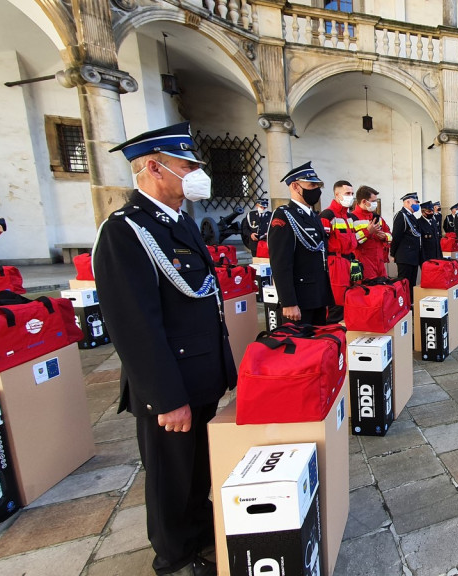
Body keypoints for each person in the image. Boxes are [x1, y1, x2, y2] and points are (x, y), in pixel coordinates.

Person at [93, 122, 236, 576]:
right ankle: (174, 556)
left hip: (200, 373)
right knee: (170, 475)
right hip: (170, 382)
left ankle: (198, 536)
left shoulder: (181, 224)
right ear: (154, 168)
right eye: (186, 166)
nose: (195, 174)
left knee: (196, 469)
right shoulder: (126, 231)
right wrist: (166, 398)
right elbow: (134, 326)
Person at [268, 162, 336, 324]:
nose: (316, 190)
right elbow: (280, 263)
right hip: (300, 299)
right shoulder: (284, 216)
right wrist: (288, 302)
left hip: (318, 295)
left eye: (317, 185)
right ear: (296, 187)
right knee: (300, 346)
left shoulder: (313, 216)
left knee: (318, 345)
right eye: (311, 185)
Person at [320, 179, 364, 309]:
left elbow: (352, 240)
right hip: (335, 262)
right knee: (338, 300)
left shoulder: (348, 217)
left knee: (351, 297)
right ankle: (333, 328)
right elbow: (321, 245)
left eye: (352, 193)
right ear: (337, 195)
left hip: (348, 260)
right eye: (347, 193)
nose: (350, 196)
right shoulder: (327, 215)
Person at [350, 185, 391, 280]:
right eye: (373, 201)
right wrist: (367, 232)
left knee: (384, 291)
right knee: (368, 291)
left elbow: (390, 236)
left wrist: (384, 236)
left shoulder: (377, 217)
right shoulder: (352, 218)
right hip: (363, 265)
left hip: (380, 264)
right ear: (364, 201)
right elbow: (350, 242)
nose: (375, 204)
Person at [391, 192, 423, 295]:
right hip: (405, 257)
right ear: (408, 202)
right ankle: (404, 305)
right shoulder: (401, 215)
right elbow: (396, 236)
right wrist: (392, 254)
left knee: (412, 284)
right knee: (404, 283)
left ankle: (410, 304)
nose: (417, 204)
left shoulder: (411, 216)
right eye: (415, 202)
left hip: (413, 256)